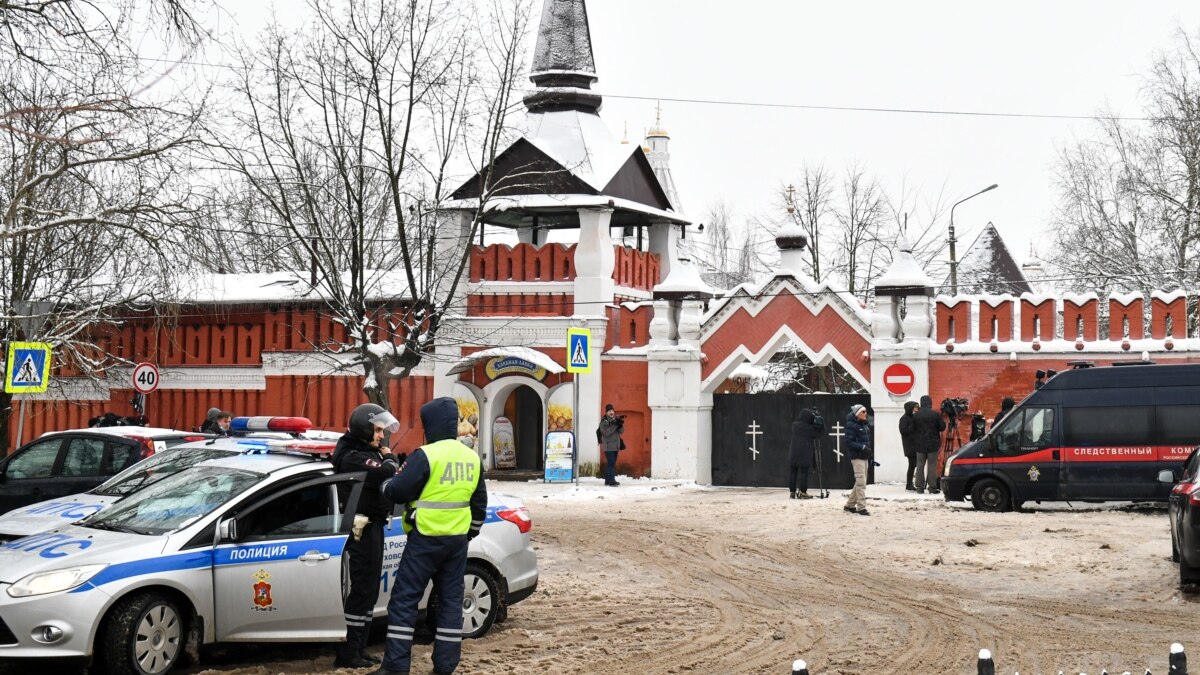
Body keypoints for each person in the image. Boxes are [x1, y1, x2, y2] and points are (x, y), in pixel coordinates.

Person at [375, 396, 486, 675]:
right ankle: (445, 666)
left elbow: (399, 491)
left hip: (424, 539)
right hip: (457, 542)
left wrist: (387, 484)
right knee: (450, 602)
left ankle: (396, 667)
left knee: (405, 600)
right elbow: (479, 503)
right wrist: (469, 533)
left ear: (431, 425)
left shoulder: (426, 455)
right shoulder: (471, 457)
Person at [332, 403, 403, 669]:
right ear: (363, 427)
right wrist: (390, 459)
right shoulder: (351, 455)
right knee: (361, 590)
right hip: (360, 529)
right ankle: (349, 651)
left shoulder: (363, 450)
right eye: (377, 430)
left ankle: (360, 648)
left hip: (372, 527)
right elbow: (383, 472)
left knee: (370, 590)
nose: (381, 436)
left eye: (382, 431)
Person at [912, 394, 945, 494]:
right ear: (930, 403)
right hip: (933, 443)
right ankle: (932, 487)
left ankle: (919, 487)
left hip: (919, 444)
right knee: (932, 466)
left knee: (920, 465)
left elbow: (912, 429)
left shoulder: (916, 415)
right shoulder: (935, 414)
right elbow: (942, 427)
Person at [843, 404, 872, 515]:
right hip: (857, 457)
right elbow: (849, 442)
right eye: (863, 412)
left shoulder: (863, 425)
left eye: (865, 411)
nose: (866, 413)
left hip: (864, 456)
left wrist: (868, 452)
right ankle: (861, 507)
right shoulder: (851, 425)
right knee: (861, 483)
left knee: (860, 482)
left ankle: (849, 505)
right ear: (857, 413)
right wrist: (862, 447)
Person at [787, 408, 823, 499]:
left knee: (793, 472)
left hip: (794, 452)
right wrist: (820, 421)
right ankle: (803, 492)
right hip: (805, 453)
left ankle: (792, 491)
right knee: (804, 472)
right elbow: (820, 433)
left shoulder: (794, 426)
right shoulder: (810, 429)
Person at [596, 403, 624, 487]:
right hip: (608, 446)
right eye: (609, 411)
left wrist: (620, 425)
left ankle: (607, 480)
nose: (611, 412)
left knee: (611, 463)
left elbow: (621, 432)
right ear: (606, 412)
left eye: (612, 410)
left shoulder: (614, 420)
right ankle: (612, 480)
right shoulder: (604, 422)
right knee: (611, 463)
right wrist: (615, 425)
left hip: (615, 445)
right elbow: (606, 433)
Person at [899, 400, 919, 491]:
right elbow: (903, 431)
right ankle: (909, 484)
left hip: (915, 445)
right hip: (909, 446)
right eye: (915, 407)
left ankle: (913, 483)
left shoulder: (913, 417)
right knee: (912, 465)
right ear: (910, 408)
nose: (916, 409)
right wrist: (913, 427)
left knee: (915, 465)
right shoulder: (904, 418)